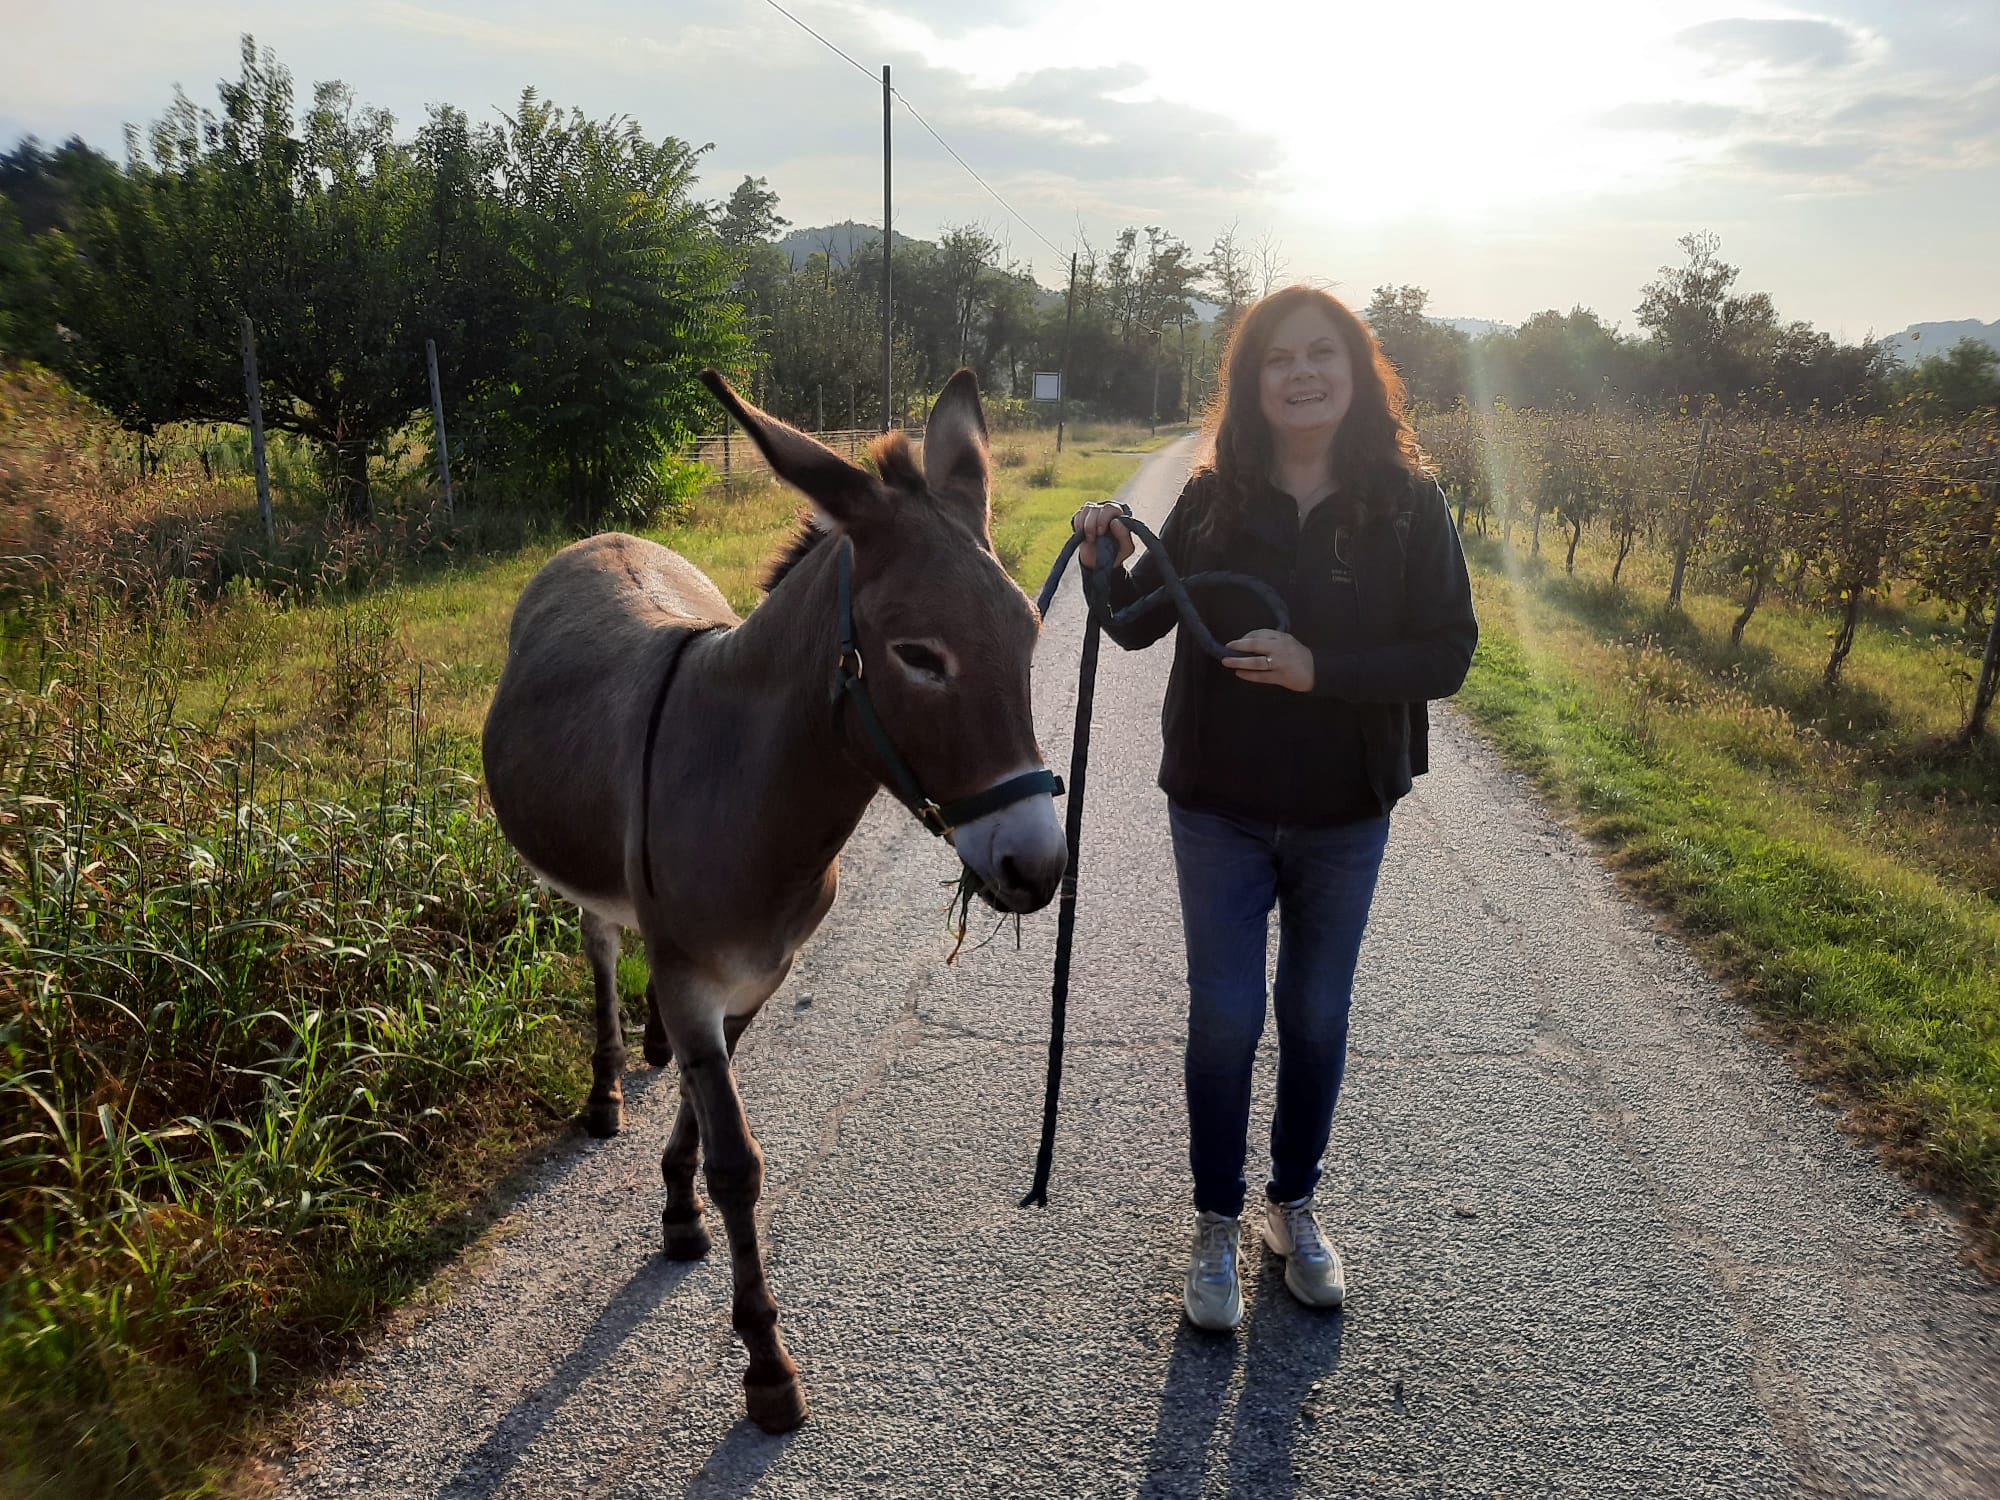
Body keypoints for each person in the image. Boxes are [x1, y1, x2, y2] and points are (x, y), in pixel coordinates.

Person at [1070, 284, 1477, 1331]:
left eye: (1321, 355)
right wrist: (1099, 564)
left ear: (1355, 373)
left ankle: (1290, 1208)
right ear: (1251, 383)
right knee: (1225, 1017)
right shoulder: (1211, 503)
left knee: (1314, 1014)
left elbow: (1448, 653)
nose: (1300, 374)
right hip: (1218, 805)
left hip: (1346, 808)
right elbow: (1131, 626)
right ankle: (1215, 1218)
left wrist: (1318, 667)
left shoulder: (1406, 503)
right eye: (1277, 360)